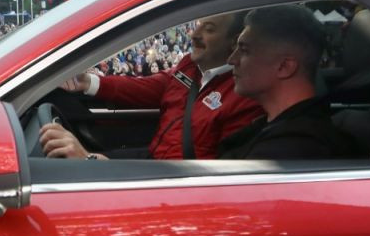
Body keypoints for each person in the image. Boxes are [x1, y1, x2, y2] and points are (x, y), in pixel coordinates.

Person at [40, 12, 261, 160]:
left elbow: (216, 178)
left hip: (172, 181)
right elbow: (149, 87)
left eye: (209, 30)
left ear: (235, 42)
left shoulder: (244, 94)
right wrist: (87, 82)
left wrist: (90, 162)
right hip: (154, 158)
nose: (194, 35)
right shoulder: (189, 67)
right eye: (198, 25)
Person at [218, 4, 359, 160]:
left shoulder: (290, 149)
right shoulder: (286, 132)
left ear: (284, 66)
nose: (231, 60)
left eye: (245, 50)